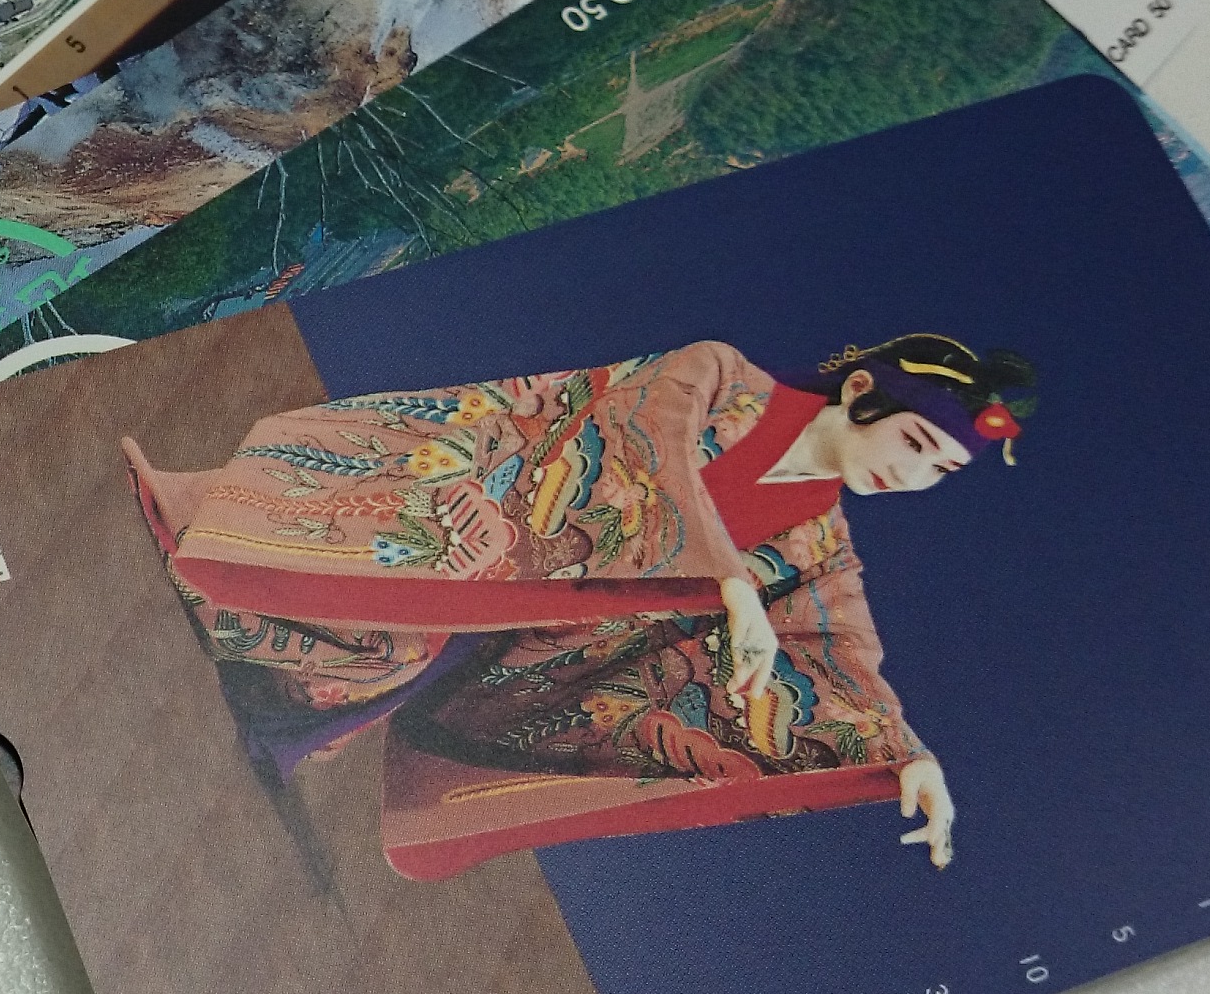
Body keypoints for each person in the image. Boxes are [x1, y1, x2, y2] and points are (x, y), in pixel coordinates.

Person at [124, 333, 1033, 874]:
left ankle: (279, 705)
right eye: (915, 441)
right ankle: (217, 545)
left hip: (536, 641)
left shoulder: (818, 543)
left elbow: (836, 645)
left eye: (941, 470)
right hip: (477, 536)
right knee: (372, 637)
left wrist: (905, 756)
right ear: (863, 391)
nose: (913, 473)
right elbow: (640, 437)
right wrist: (727, 582)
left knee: (369, 681)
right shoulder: (723, 378)